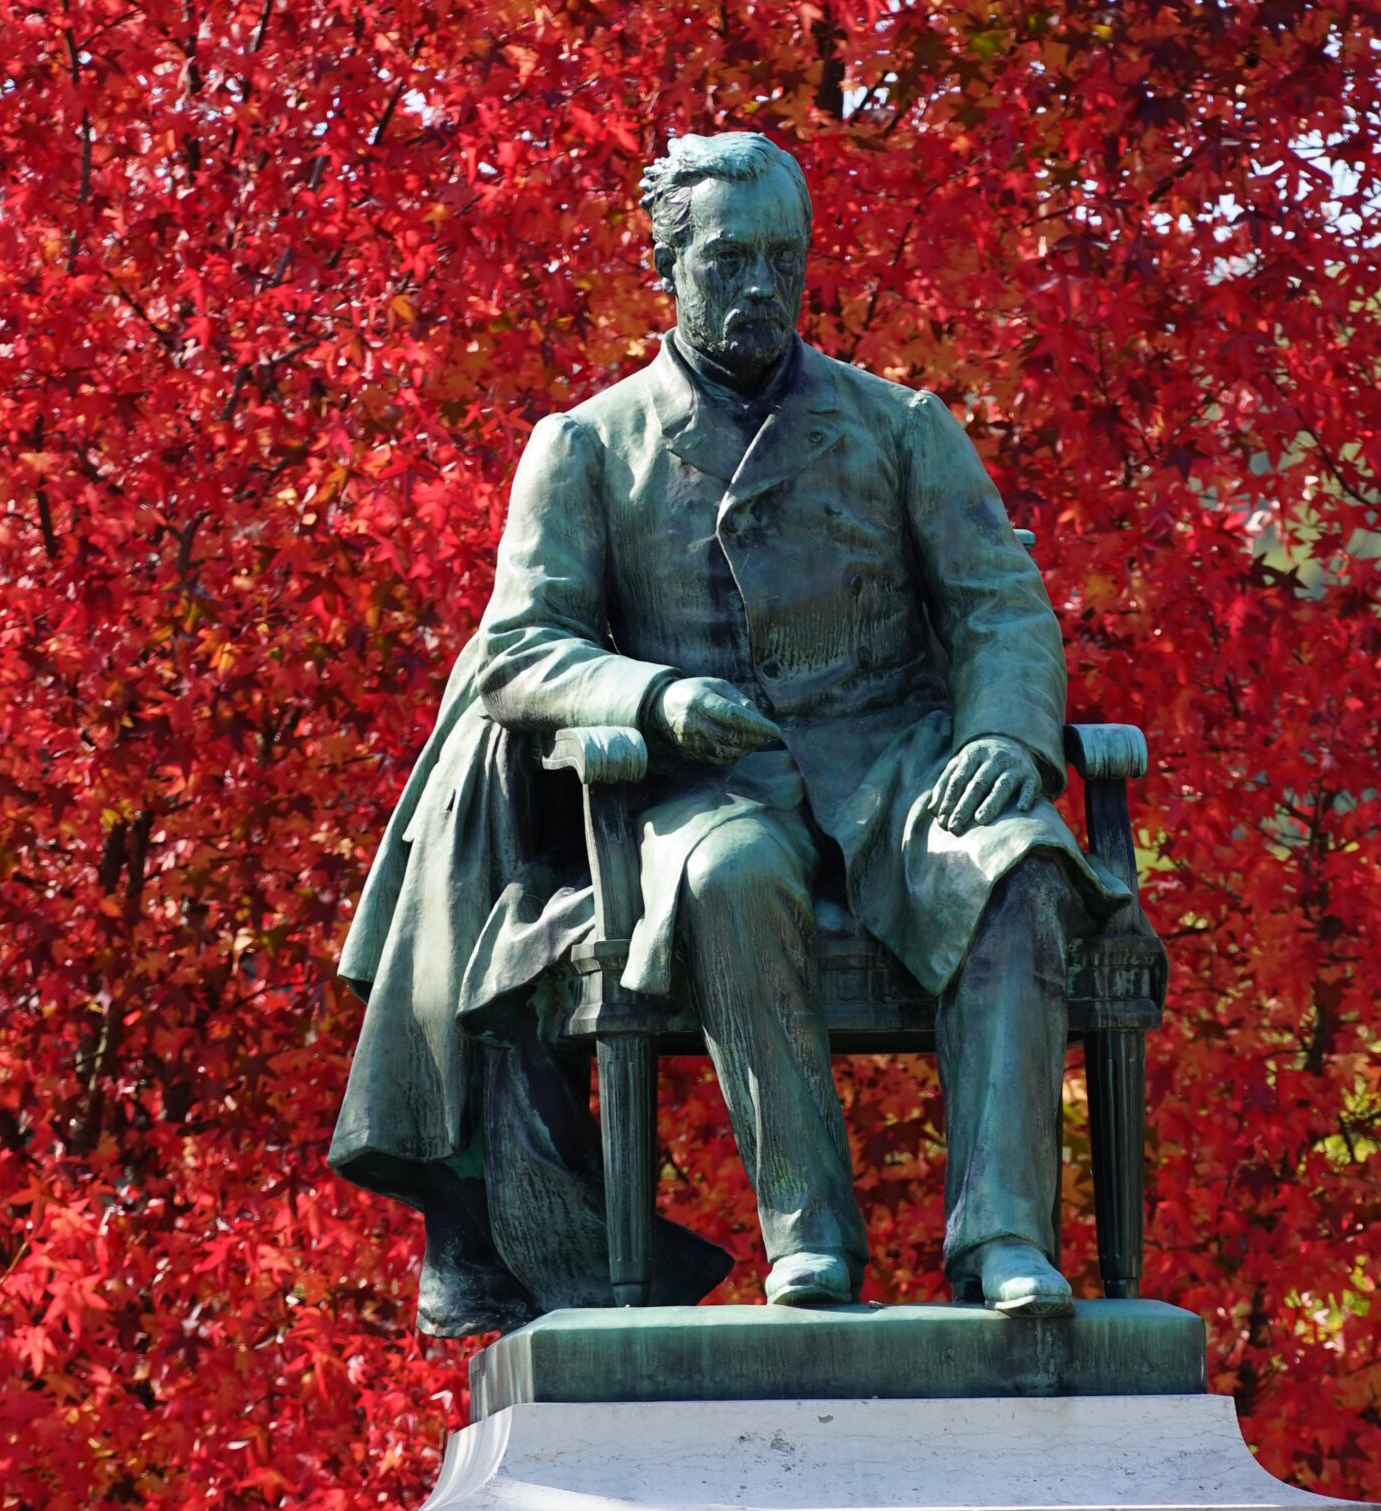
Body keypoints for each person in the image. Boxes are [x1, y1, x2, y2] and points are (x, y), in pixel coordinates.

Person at [331, 131, 1134, 1323]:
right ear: (667, 262)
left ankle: (1004, 1238)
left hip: (899, 771)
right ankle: (809, 1243)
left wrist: (1004, 741)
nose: (758, 286)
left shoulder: (898, 425)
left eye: (780, 259)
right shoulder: (588, 447)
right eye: (727, 261)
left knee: (1015, 865)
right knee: (734, 877)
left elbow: (999, 610)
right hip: (703, 793)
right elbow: (515, 648)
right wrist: (651, 699)